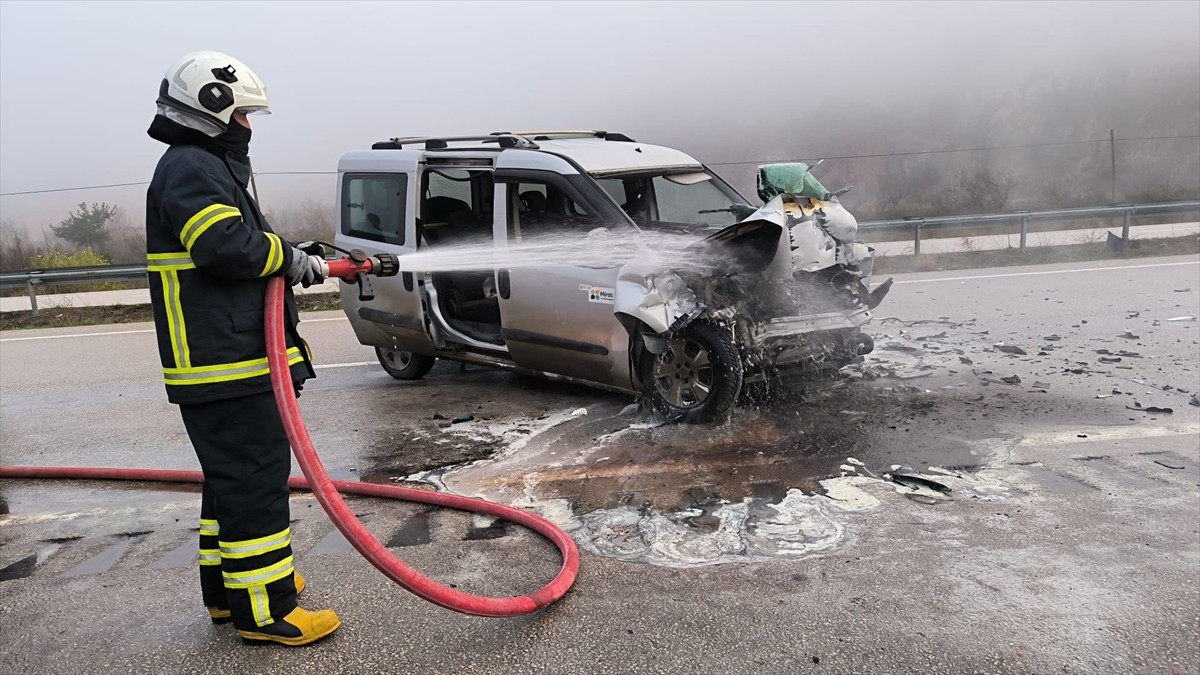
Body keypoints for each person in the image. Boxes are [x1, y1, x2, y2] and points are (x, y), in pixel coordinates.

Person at [145, 51, 339, 646]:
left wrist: (294, 252)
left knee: (231, 482)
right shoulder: (191, 166)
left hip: (227, 361)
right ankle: (266, 610)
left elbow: (243, 240)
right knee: (254, 483)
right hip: (226, 363)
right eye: (244, 115)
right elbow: (225, 247)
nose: (249, 126)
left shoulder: (202, 167)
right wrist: (290, 259)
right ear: (213, 108)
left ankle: (229, 594)